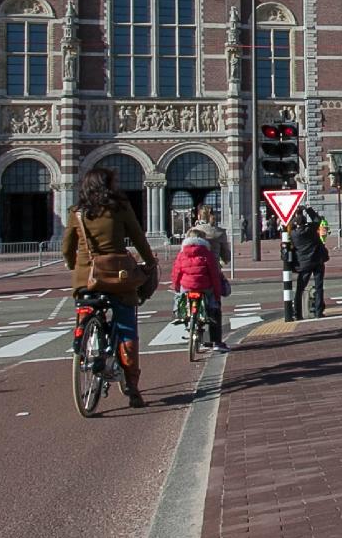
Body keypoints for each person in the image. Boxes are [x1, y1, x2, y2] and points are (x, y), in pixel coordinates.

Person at [61, 167, 158, 408]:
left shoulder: (77, 213)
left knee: (85, 309)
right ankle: (133, 388)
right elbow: (138, 238)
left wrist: (75, 267)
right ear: (109, 186)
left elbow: (66, 248)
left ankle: (84, 341)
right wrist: (150, 262)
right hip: (117, 277)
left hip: (87, 279)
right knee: (126, 328)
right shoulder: (120, 208)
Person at [169, 215, 232, 354]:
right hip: (205, 286)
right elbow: (214, 275)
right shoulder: (207, 253)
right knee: (214, 309)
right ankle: (217, 342)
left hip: (187, 286)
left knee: (180, 299)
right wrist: (216, 293)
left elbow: (176, 272)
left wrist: (176, 287)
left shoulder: (182, 253)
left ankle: (181, 318)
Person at [291, 207, 328, 319]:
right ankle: (318, 312)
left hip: (303, 264)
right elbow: (317, 220)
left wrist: (296, 214)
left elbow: (291, 226)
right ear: (305, 222)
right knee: (319, 286)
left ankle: (297, 313)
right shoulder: (311, 229)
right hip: (317, 261)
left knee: (300, 289)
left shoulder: (293, 234)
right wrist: (308, 209)